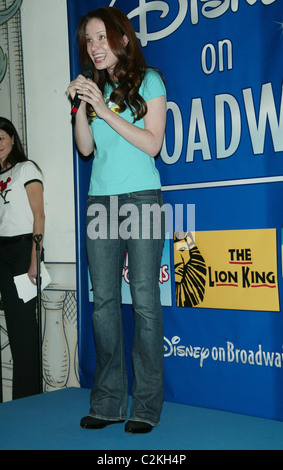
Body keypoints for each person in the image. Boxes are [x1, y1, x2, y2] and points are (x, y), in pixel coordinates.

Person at [68, 7, 167, 434]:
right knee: (104, 303)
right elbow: (86, 149)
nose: (94, 46)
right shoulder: (93, 91)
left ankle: (145, 404)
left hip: (142, 198)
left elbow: (152, 143)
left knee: (144, 302)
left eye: (101, 37)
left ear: (122, 38)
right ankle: (108, 401)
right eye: (88, 40)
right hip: (100, 203)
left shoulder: (150, 80)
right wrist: (80, 106)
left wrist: (106, 111)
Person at [0, 117, 45, 400]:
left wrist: (34, 260)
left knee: (23, 330)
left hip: (22, 251)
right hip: (1, 251)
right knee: (13, 329)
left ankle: (27, 402)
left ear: (13, 139)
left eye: (1, 138)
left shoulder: (26, 168)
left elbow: (39, 215)